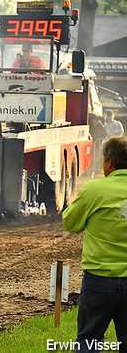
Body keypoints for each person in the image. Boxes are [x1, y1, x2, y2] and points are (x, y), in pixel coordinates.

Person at [62, 135, 127, 353]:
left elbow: (70, 223)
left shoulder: (94, 191)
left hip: (99, 280)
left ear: (109, 162)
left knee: (89, 341)